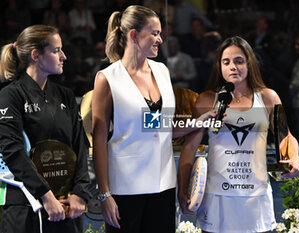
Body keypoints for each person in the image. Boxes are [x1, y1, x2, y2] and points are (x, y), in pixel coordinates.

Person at [92, 5, 215, 233]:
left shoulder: (162, 71)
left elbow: (160, 127)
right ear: (134, 35)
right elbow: (98, 140)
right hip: (125, 188)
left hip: (164, 185)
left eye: (160, 33)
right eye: (155, 33)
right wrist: (104, 193)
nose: (160, 39)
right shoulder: (107, 78)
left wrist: (198, 123)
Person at [177, 36, 299, 233]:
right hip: (217, 197)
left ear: (250, 63)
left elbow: (285, 136)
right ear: (219, 66)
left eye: (239, 61)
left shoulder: (269, 97)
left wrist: (293, 156)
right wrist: (182, 189)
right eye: (226, 62)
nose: (233, 66)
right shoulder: (207, 100)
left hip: (256, 196)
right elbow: (190, 147)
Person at [0, 25, 91, 233]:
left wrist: (80, 192)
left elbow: (79, 146)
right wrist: (46, 195)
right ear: (36, 55)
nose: (64, 56)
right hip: (25, 204)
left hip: (66, 203)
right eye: (56, 50)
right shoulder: (10, 95)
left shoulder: (65, 95)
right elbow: (12, 152)